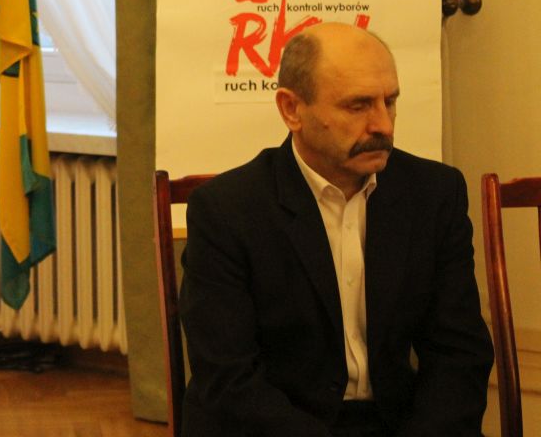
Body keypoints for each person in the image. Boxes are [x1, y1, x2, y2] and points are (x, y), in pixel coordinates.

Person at [179, 22, 492, 437]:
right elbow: (228, 378)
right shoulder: (227, 210)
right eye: (358, 106)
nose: (383, 125)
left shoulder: (433, 194)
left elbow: (459, 352)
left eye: (390, 102)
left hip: (395, 424)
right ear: (292, 109)